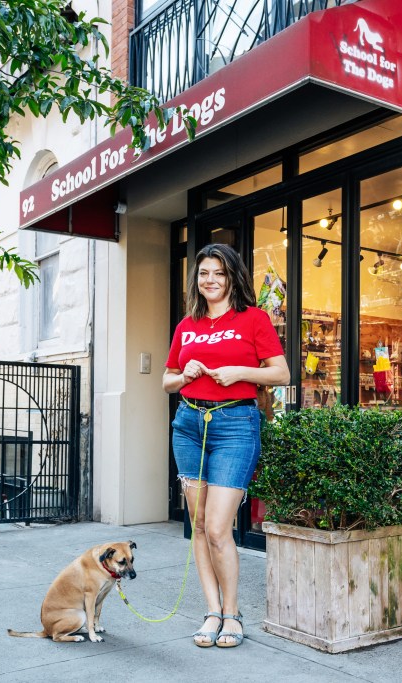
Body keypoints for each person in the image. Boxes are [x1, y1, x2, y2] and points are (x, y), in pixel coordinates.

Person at [163, 243, 290, 649]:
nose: (210, 280)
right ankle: (212, 611)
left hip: (235, 423)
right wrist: (185, 374)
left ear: (232, 276)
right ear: (196, 279)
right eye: (203, 273)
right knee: (199, 525)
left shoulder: (253, 319)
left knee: (218, 527)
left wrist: (239, 371)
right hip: (188, 424)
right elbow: (166, 380)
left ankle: (233, 615)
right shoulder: (187, 325)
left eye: (218, 272)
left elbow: (282, 373)